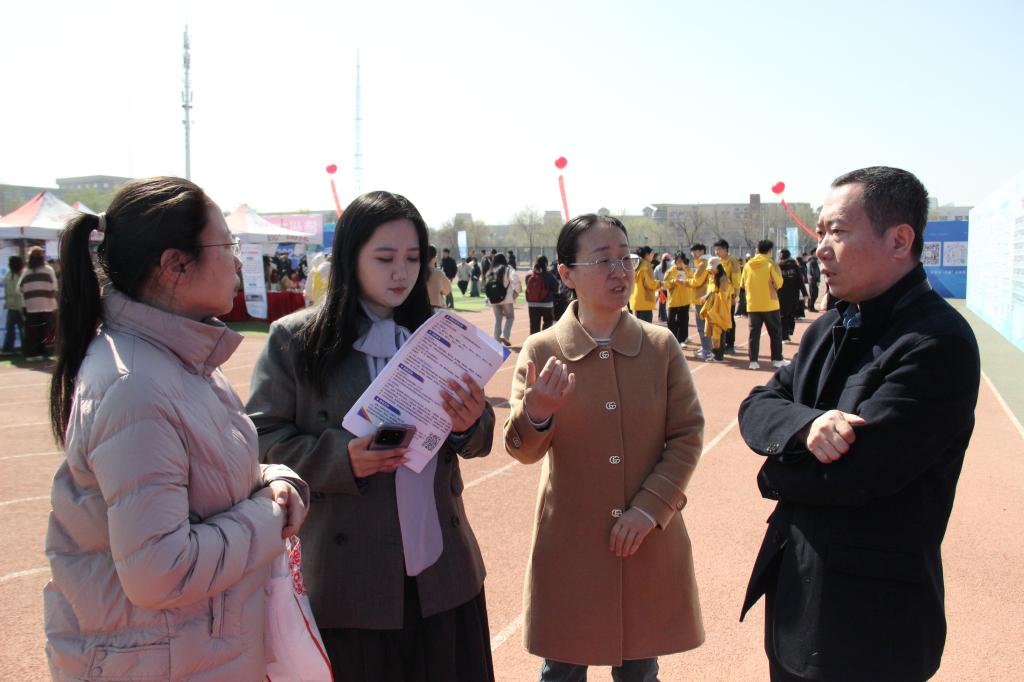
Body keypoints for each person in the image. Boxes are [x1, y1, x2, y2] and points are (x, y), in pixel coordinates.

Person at [43, 176, 309, 680]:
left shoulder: (180, 361)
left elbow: (208, 476)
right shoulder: (136, 387)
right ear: (175, 265)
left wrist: (274, 479)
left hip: (191, 651)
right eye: (227, 246)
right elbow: (162, 571)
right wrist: (269, 515)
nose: (237, 263)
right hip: (163, 661)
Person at [738, 167, 980, 682]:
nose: (821, 248)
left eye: (838, 232)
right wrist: (805, 427)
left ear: (899, 240)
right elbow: (756, 406)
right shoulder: (830, 325)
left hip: (871, 625)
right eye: (820, 231)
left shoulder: (936, 342)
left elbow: (855, 474)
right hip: (796, 601)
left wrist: (773, 469)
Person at [247, 190, 497, 681]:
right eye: (384, 258)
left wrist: (470, 423)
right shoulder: (297, 339)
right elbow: (259, 440)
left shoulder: (441, 333)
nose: (401, 273)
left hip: (442, 574)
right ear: (350, 258)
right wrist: (343, 459)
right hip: (349, 584)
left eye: (412, 258)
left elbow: (481, 435)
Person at [505, 214, 705, 681]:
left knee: (639, 668)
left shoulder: (660, 345)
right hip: (570, 544)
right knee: (562, 668)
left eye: (625, 258)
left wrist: (651, 508)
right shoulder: (541, 350)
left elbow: (687, 433)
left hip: (644, 540)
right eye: (602, 260)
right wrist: (537, 412)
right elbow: (521, 449)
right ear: (567, 274)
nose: (620, 271)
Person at [740, 240, 787, 370]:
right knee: (775, 333)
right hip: (770, 304)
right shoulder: (771, 264)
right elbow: (779, 283)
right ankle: (777, 359)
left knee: (753, 334)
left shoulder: (748, 265)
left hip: (752, 305)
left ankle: (753, 361)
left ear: (757, 249)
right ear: (770, 250)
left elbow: (742, 284)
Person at [18, 246, 57, 360]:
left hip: (31, 306)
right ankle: (42, 351)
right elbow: (54, 286)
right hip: (47, 305)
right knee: (44, 330)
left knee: (32, 331)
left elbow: (19, 289)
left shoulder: (26, 272)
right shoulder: (48, 270)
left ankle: (31, 353)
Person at [699, 257, 734, 362]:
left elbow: (723, 295)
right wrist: (707, 296)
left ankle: (718, 356)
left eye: (712, 268)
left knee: (719, 331)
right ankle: (715, 354)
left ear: (718, 267)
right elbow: (713, 290)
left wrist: (714, 296)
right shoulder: (715, 277)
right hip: (714, 308)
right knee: (714, 331)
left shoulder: (724, 279)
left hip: (720, 309)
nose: (710, 271)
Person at [486, 252, 521, 346]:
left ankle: (496, 340)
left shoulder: (490, 271)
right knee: (510, 317)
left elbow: (486, 285)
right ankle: (505, 335)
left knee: (497, 318)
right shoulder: (508, 269)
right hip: (506, 298)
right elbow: (515, 279)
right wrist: (516, 292)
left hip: (493, 298)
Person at [713, 239, 741, 353]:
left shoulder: (732, 261)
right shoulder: (717, 261)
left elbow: (736, 279)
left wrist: (735, 295)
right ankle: (721, 343)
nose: (716, 252)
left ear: (725, 249)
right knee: (720, 319)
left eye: (718, 249)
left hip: (729, 296)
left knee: (729, 319)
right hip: (718, 295)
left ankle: (730, 344)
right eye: (715, 249)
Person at [687, 244, 713, 360]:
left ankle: (707, 350)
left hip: (702, 298)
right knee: (705, 325)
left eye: (695, 251)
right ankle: (706, 348)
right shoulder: (707, 262)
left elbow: (697, 281)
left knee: (702, 326)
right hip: (705, 297)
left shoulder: (704, 263)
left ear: (701, 251)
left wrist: (685, 281)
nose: (693, 254)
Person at [777, 249, 808, 341]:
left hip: (781, 295)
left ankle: (785, 334)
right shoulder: (794, 266)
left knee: (783, 315)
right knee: (791, 314)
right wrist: (805, 293)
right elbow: (800, 280)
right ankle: (788, 331)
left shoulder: (778, 266)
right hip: (793, 295)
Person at [663, 251, 693, 344]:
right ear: (675, 261)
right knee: (671, 321)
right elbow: (665, 284)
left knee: (683, 321)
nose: (680, 262)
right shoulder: (670, 271)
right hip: (674, 300)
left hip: (685, 299)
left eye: (681, 260)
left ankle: (682, 340)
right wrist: (673, 282)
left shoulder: (688, 270)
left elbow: (693, 281)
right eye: (678, 260)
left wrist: (685, 281)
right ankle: (672, 339)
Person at [524, 255, 559, 335]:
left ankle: (534, 341)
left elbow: (528, 287)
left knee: (534, 325)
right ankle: (544, 340)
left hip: (532, 304)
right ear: (546, 263)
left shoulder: (529, 275)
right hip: (547, 303)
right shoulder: (549, 275)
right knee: (548, 321)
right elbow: (556, 287)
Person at [628, 245, 658, 322]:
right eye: (651, 253)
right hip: (645, 302)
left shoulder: (637, 265)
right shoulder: (647, 266)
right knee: (646, 327)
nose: (653, 255)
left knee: (639, 325)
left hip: (636, 301)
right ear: (647, 255)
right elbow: (650, 284)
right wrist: (660, 284)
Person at [2, 254, 25, 354]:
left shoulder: (9, 275)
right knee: (22, 328)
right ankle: (25, 347)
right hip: (19, 306)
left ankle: (8, 348)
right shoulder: (19, 275)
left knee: (10, 329)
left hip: (12, 306)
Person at [426, 244, 452, 309]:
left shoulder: (415, 273)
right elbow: (447, 290)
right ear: (435, 258)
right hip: (435, 309)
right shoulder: (438, 273)